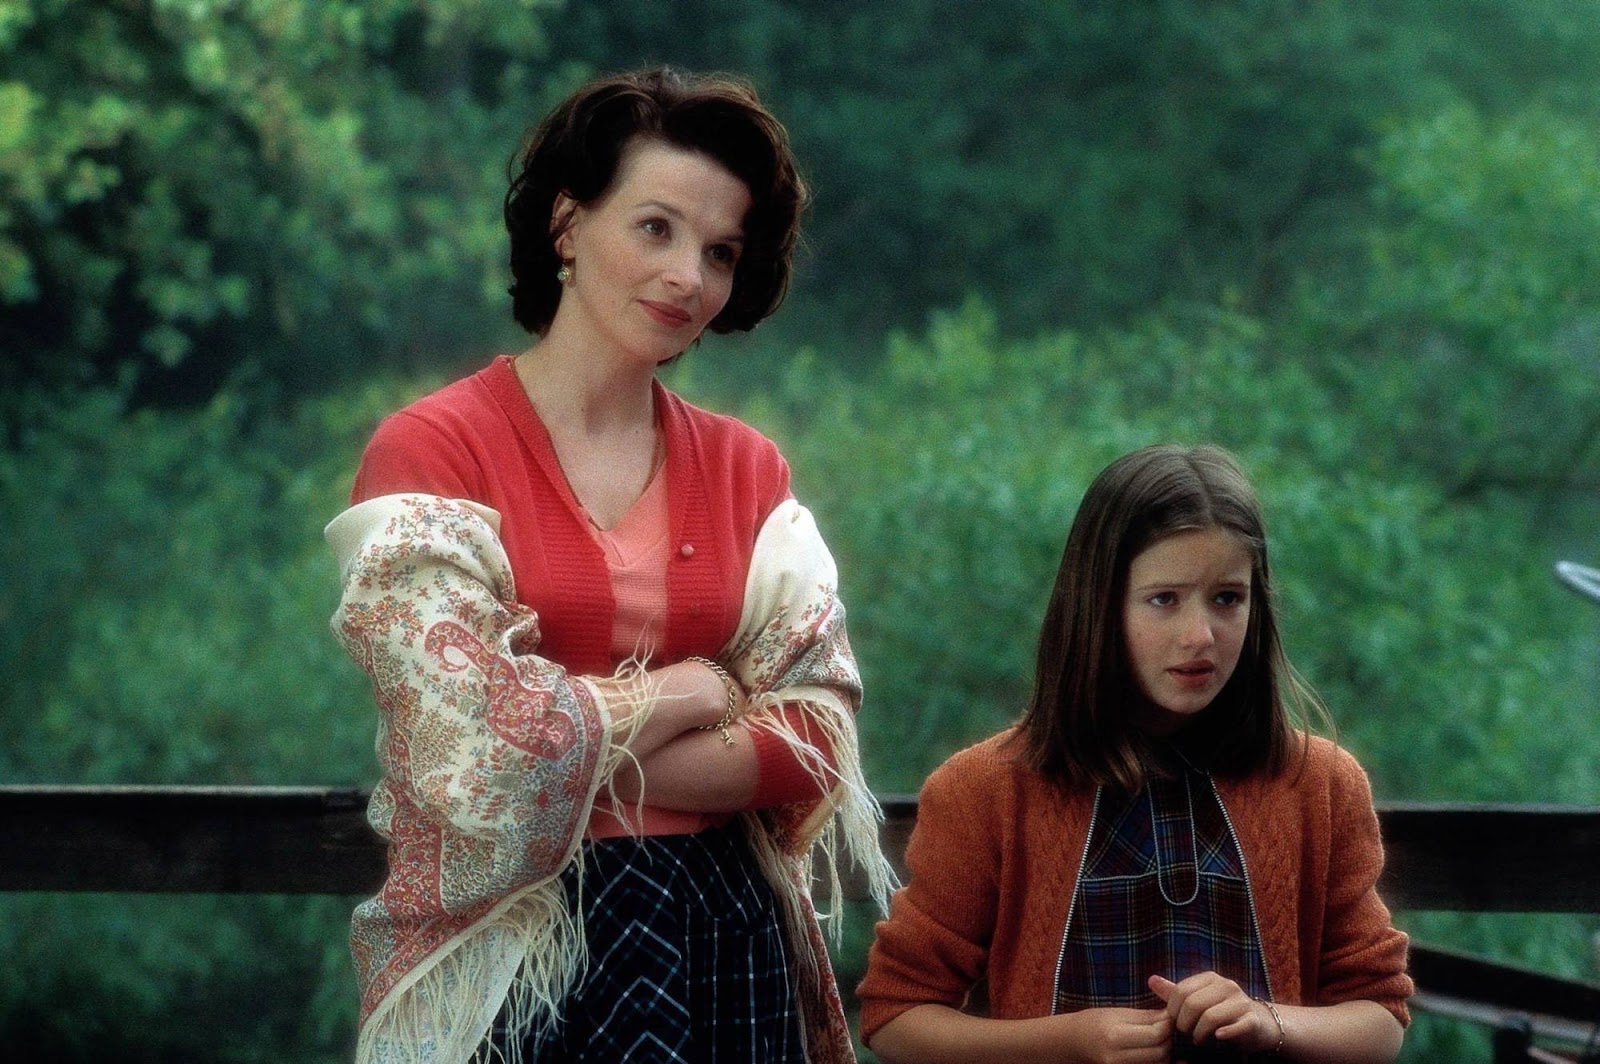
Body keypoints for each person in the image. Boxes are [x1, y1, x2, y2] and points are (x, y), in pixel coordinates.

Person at [324, 67, 892, 1064]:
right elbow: (467, 750)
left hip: (727, 934)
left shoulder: (748, 469)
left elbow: (815, 732)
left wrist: (561, 744)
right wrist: (690, 691)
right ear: (565, 223)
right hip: (516, 949)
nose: (688, 277)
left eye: (720, 252)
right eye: (655, 228)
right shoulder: (432, 452)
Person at [857, 444, 1413, 1064]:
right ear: (1098, 605)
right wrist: (1065, 1044)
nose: (1200, 636)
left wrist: (1267, 1021)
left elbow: (1381, 1019)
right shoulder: (986, 790)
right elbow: (896, 1016)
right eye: (1164, 599)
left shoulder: (1320, 783)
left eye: (1228, 598)